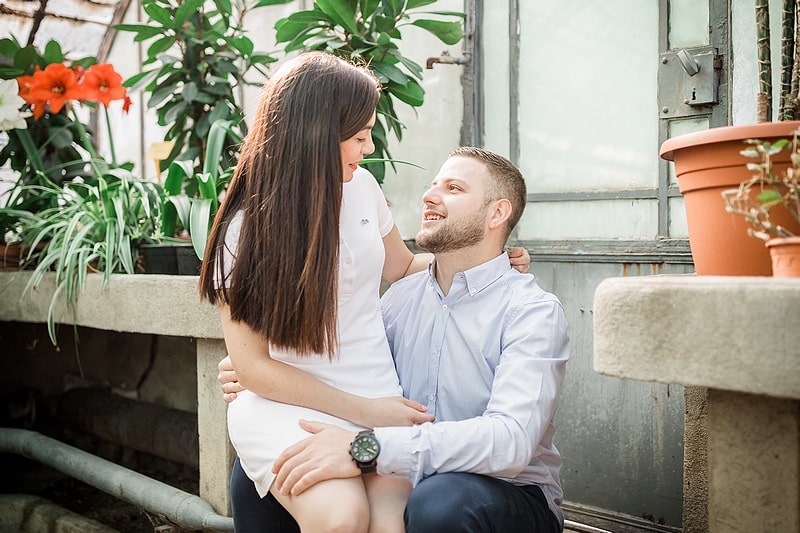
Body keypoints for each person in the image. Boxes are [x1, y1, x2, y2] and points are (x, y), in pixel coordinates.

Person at [199, 52, 531, 532]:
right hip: (287, 402)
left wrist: (492, 259)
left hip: (374, 388)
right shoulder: (244, 229)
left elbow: (403, 267)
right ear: (315, 137)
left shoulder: (363, 188)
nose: (368, 147)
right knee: (341, 519)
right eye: (358, 137)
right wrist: (367, 413)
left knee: (392, 524)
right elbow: (252, 366)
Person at [220, 146, 570, 532]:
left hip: (507, 494)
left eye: (453, 188)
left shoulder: (532, 311)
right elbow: (344, 364)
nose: (429, 195)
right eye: (433, 184)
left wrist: (365, 450)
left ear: (497, 213)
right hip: (402, 477)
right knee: (275, 469)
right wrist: (255, 369)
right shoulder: (399, 301)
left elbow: (511, 444)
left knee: (439, 502)